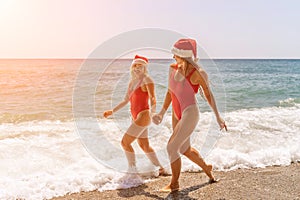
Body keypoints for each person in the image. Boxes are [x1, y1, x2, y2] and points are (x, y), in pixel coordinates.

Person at [152, 39, 227, 192]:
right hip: (176, 112)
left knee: (172, 147)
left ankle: (174, 184)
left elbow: (208, 94)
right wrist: (161, 113)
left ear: (184, 55)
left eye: (176, 55)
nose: (173, 57)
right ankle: (207, 167)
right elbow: (170, 92)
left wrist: (218, 116)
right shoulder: (172, 68)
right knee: (184, 149)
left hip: (189, 112)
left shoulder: (198, 73)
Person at [103, 55, 166, 176]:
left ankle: (132, 171)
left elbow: (153, 98)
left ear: (144, 67)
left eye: (140, 65)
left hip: (144, 115)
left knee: (125, 143)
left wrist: (153, 113)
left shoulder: (147, 79)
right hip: (134, 116)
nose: (137, 67)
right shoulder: (132, 82)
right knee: (144, 145)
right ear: (132, 67)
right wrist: (112, 111)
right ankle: (161, 168)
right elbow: (126, 100)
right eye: (135, 65)